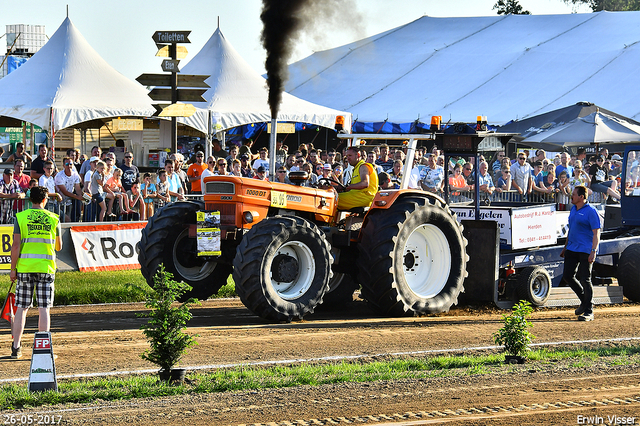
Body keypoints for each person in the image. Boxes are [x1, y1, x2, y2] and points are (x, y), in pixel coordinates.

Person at [10, 185, 63, 359]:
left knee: (21, 308)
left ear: (29, 199)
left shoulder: (21, 217)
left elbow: (16, 246)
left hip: (25, 268)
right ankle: (43, 349)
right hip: (45, 268)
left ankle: (16, 347)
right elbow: (59, 246)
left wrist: (12, 270)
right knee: (44, 308)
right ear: (45, 199)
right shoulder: (53, 218)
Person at [560, 186, 601, 322]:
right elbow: (571, 230)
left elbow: (596, 233)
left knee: (585, 279)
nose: (571, 196)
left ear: (581, 197)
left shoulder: (591, 211)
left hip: (585, 250)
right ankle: (585, 301)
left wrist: (593, 251)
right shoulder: (573, 209)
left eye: (574, 194)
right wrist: (565, 247)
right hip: (572, 248)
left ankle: (589, 311)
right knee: (567, 276)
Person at [55, 157, 84, 222]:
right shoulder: (59, 176)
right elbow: (64, 192)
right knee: (62, 221)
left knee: (68, 221)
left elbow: (78, 189)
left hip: (69, 202)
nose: (69, 166)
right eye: (67, 164)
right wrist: (77, 197)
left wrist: (83, 196)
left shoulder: (75, 175)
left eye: (71, 164)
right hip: (59, 203)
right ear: (63, 165)